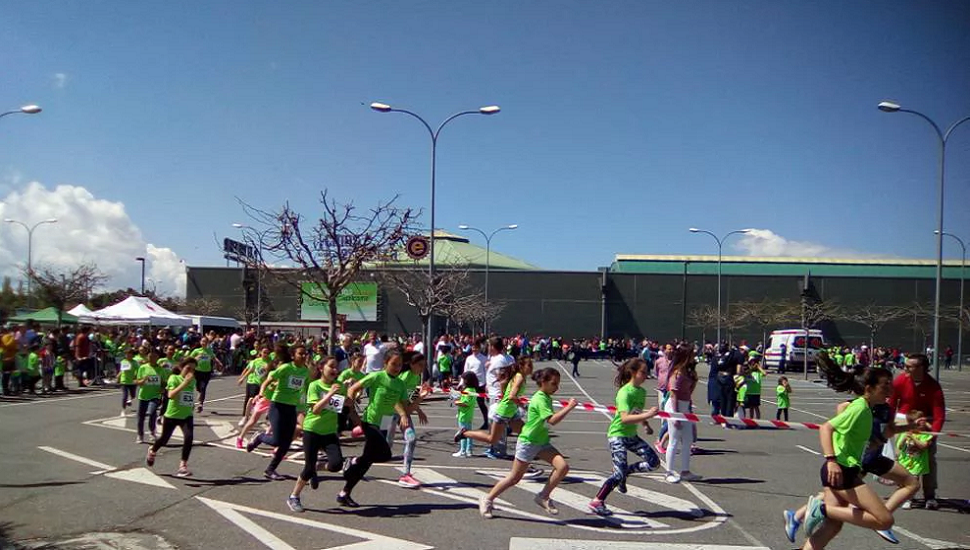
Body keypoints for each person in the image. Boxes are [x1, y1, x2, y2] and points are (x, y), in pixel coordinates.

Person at [799, 368, 900, 550]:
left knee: (832, 526)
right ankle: (820, 509)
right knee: (884, 520)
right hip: (841, 470)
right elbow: (826, 428)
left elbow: (866, 436)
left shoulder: (868, 409)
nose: (890, 389)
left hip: (845, 469)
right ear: (869, 388)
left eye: (890, 384)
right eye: (885, 385)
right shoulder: (859, 408)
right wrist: (831, 460)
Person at [479, 367, 577, 519]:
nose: (556, 387)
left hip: (541, 441)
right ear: (543, 382)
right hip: (529, 442)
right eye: (553, 383)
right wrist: (569, 407)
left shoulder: (546, 397)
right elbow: (552, 420)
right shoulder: (540, 399)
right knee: (514, 478)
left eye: (558, 384)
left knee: (562, 467)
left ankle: (543, 496)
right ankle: (488, 499)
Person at [339, 349, 414, 507]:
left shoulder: (400, 383)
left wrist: (404, 414)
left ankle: (345, 492)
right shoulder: (377, 376)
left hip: (385, 422)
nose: (396, 367)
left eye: (399, 365)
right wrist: (350, 404)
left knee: (367, 462)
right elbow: (353, 388)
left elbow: (400, 403)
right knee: (385, 453)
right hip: (370, 421)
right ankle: (353, 461)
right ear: (385, 363)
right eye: (393, 364)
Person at [587, 358, 661, 516]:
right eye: (643, 372)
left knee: (654, 463)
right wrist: (649, 414)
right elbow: (625, 418)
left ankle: (626, 471)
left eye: (647, 372)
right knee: (617, 474)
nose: (646, 375)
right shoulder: (624, 392)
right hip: (617, 436)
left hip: (631, 436)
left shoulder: (641, 392)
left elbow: (636, 412)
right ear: (633, 372)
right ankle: (597, 501)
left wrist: (646, 424)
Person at [286, 356, 346, 513]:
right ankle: (294, 496)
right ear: (321, 368)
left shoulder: (339, 386)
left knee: (336, 464)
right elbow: (316, 409)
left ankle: (316, 469)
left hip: (329, 431)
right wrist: (330, 394)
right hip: (312, 430)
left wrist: (350, 399)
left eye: (336, 367)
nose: (335, 370)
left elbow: (345, 405)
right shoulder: (314, 386)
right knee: (307, 468)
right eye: (331, 366)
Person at [247, 344, 310, 480]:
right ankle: (259, 437)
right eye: (301, 353)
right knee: (276, 440)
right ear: (293, 355)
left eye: (305, 354)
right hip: (278, 406)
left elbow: (304, 389)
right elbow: (267, 381)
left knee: (286, 443)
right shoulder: (286, 368)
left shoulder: (305, 371)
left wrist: (305, 406)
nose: (304, 356)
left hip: (291, 408)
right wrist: (261, 394)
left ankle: (270, 470)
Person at [890, 353, 945, 510]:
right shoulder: (901, 380)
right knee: (903, 458)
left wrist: (932, 436)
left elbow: (939, 413)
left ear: (921, 368)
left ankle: (930, 495)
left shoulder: (933, 387)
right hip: (903, 421)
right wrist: (889, 423)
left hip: (924, 425)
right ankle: (905, 492)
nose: (905, 368)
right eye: (905, 365)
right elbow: (892, 403)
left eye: (909, 366)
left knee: (928, 460)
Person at [146, 357, 197, 477]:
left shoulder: (192, 380)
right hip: (172, 415)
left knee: (189, 438)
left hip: (186, 415)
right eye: (188, 368)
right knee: (164, 439)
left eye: (193, 370)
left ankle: (183, 466)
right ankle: (152, 451)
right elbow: (171, 395)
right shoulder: (174, 378)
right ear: (181, 367)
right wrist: (185, 383)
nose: (190, 372)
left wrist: (192, 403)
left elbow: (188, 395)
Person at [665, 344, 701, 483]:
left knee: (688, 440)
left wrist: (694, 380)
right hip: (675, 406)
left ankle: (685, 471)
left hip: (685, 406)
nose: (694, 357)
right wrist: (675, 415)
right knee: (673, 440)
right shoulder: (677, 373)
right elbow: (673, 394)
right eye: (692, 354)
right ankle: (668, 471)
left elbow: (689, 392)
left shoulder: (688, 371)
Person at [134, 348, 165, 444]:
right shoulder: (143, 368)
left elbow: (164, 382)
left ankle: (152, 432)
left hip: (155, 395)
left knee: (152, 413)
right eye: (150, 356)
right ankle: (140, 435)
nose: (152, 358)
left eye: (154, 356)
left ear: (157, 357)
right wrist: (143, 381)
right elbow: (137, 381)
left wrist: (163, 388)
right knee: (141, 416)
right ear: (147, 357)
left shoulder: (160, 369)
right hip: (144, 395)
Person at [463, 338, 490, 430]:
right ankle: (466, 423)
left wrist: (487, 384)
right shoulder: (469, 358)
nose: (474, 349)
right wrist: (462, 383)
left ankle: (486, 422)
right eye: (473, 348)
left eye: (476, 348)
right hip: (470, 385)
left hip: (480, 384)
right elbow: (465, 371)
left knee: (481, 404)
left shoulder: (483, 358)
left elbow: (486, 372)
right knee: (468, 404)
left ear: (479, 348)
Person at [453, 371, 479, 457]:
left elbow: (466, 403)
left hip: (464, 415)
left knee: (463, 433)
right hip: (468, 415)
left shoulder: (469, 390)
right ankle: (469, 450)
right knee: (468, 433)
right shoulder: (472, 390)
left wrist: (457, 402)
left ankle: (463, 451)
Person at [119, 348, 139, 416]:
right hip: (124, 381)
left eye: (130, 354)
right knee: (125, 395)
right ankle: (123, 410)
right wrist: (118, 376)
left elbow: (138, 370)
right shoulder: (123, 361)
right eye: (127, 354)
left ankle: (129, 400)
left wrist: (136, 376)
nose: (128, 355)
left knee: (133, 395)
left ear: (133, 355)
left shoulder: (135, 362)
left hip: (132, 381)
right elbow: (122, 370)